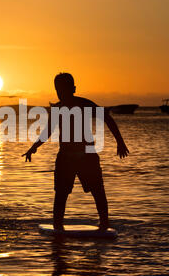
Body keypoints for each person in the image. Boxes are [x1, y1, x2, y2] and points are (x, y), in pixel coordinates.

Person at [22, 73, 129, 231]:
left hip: (87, 156)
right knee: (61, 194)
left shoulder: (84, 104)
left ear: (73, 89)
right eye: (58, 90)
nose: (60, 93)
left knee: (98, 191)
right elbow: (48, 131)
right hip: (65, 157)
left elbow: (107, 118)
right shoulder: (57, 109)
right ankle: (58, 226)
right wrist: (34, 147)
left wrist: (120, 142)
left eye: (63, 89)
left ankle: (105, 223)